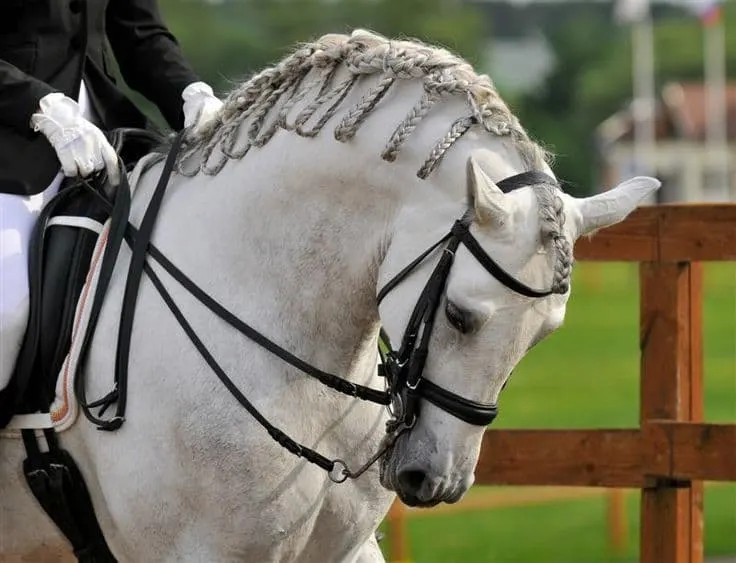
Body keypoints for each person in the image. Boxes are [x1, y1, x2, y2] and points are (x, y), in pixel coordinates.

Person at [0, 0, 223, 392]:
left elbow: (139, 33)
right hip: (13, 137)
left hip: (108, 132)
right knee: (6, 312)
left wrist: (190, 93)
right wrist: (39, 107)